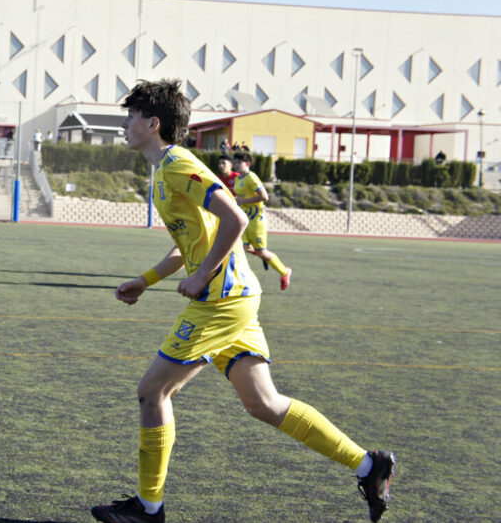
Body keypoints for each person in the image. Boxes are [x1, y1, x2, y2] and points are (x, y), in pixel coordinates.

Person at [91, 79, 394, 523]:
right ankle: (371, 466)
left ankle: (148, 508)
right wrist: (147, 278)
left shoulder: (177, 165)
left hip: (221, 302)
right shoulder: (166, 171)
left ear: (152, 123)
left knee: (153, 391)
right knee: (263, 404)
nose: (124, 124)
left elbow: (233, 216)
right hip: (236, 298)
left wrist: (200, 276)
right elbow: (194, 241)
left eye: (131, 116)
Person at [233, 151, 292, 289]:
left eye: (238, 162)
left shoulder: (251, 177)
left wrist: (242, 201)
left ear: (247, 164)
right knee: (241, 248)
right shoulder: (238, 179)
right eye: (234, 162)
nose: (236, 164)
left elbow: (264, 196)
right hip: (245, 219)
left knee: (261, 252)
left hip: (256, 220)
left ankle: (284, 271)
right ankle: (239, 280)